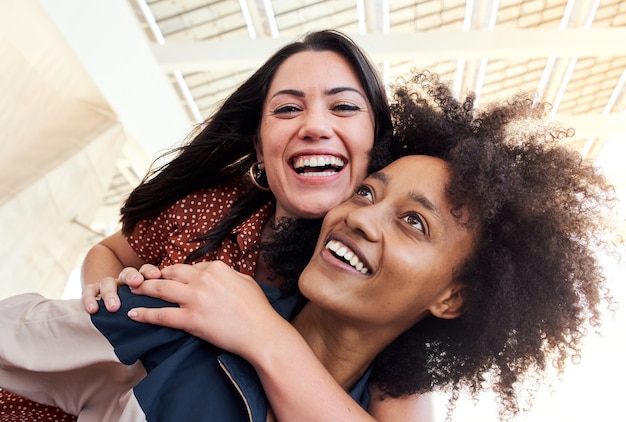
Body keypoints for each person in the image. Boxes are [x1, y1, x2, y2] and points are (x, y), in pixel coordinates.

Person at [0, 71, 617, 421]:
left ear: (452, 297)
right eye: (369, 193)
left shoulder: (391, 404)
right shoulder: (196, 308)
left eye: (414, 223)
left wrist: (267, 339)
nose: (363, 219)